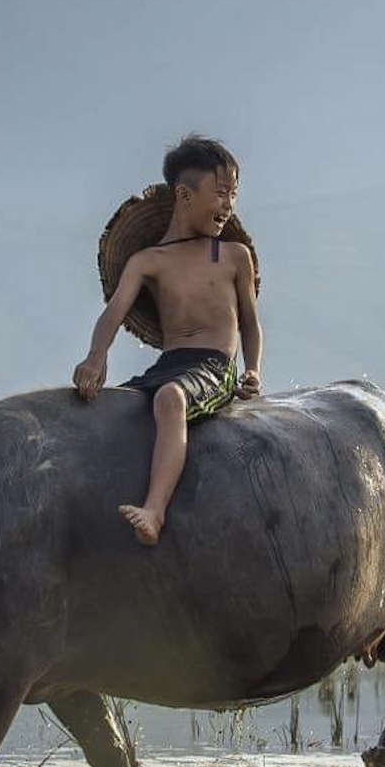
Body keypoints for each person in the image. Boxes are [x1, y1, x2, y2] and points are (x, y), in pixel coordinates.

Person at [72, 134, 264, 546]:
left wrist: (252, 369)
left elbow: (250, 322)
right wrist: (96, 356)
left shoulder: (231, 256)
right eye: (220, 194)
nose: (229, 204)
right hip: (168, 365)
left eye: (234, 194)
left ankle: (155, 511)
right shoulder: (149, 261)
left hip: (212, 368)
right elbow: (113, 311)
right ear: (184, 194)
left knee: (170, 400)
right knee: (101, 410)